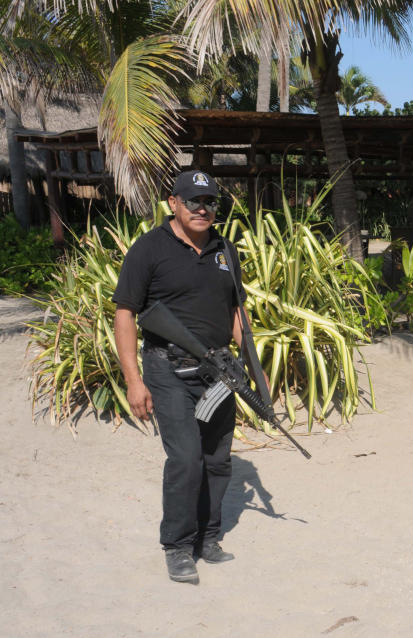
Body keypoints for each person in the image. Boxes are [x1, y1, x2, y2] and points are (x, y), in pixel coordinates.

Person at [113, 170, 248, 584]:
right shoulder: (149, 249)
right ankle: (176, 545)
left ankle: (207, 537)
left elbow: (236, 310)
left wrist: (248, 365)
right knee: (186, 458)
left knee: (217, 458)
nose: (203, 209)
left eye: (210, 202)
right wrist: (134, 381)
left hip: (218, 370)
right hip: (167, 368)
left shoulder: (225, 249)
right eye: (194, 201)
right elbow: (124, 315)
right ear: (173, 203)